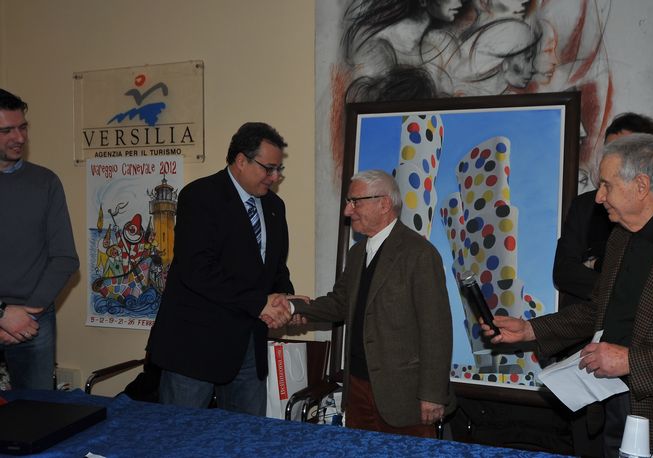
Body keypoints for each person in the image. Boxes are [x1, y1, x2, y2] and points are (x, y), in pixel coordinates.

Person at [484, 133, 653, 457]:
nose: (599, 198)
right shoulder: (621, 236)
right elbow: (598, 311)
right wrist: (530, 329)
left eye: (607, 185)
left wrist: (629, 361)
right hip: (611, 406)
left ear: (641, 186)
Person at [147, 122, 297, 415]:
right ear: (241, 160)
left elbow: (276, 267)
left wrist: (286, 302)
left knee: (245, 436)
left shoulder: (275, 206)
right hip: (195, 347)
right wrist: (259, 303)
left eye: (279, 169)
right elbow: (197, 270)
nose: (275, 177)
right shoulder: (200, 196)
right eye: (269, 168)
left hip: (248, 346)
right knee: (181, 435)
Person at [292, 170, 456, 438]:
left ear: (384, 204)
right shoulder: (357, 253)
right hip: (357, 389)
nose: (347, 211)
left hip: (405, 396)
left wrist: (432, 394)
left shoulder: (419, 253)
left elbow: (436, 330)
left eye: (355, 201)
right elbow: (340, 303)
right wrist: (293, 309)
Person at [0, 88, 79, 389]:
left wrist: (25, 317)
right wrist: (3, 314)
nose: (19, 138)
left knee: (37, 411)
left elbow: (65, 258)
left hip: (34, 320)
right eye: (7, 131)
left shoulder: (45, 182)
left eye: (23, 127)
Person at [553, 113, 653, 308]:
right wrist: (616, 289)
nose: (613, 159)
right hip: (582, 320)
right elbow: (564, 271)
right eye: (609, 150)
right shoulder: (586, 205)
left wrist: (593, 265)